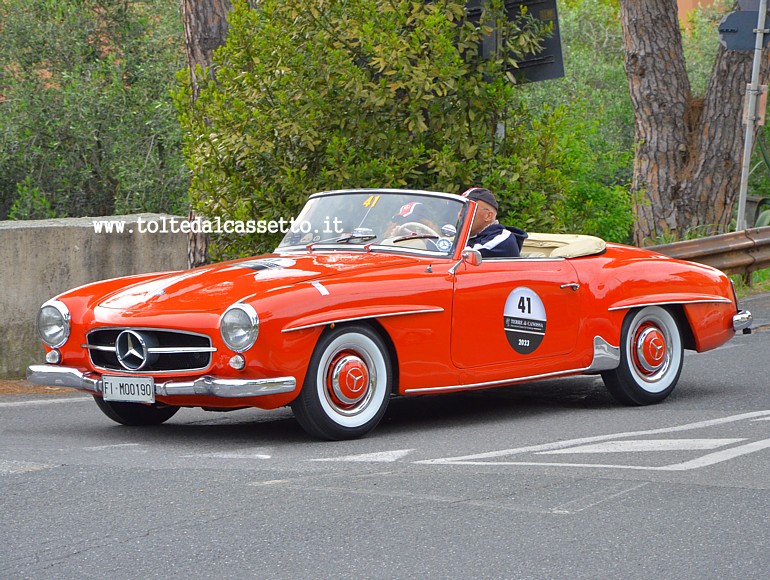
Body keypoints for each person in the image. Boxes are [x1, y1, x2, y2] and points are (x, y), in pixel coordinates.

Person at [461, 187, 527, 258]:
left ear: (488, 216)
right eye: (460, 208)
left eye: (468, 209)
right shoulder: (469, 238)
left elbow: (468, 255)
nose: (460, 214)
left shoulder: (503, 238)